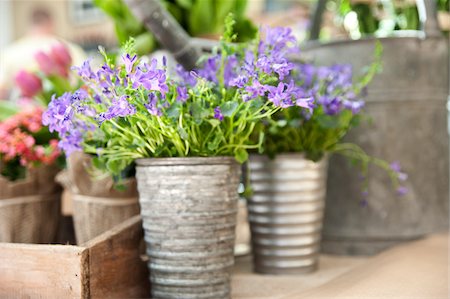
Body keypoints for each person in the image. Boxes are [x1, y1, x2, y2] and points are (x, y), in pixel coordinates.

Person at [0, 8, 85, 100]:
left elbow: (2, 89)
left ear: (31, 25)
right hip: (66, 106)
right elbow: (85, 78)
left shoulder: (10, 51)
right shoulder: (66, 46)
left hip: (23, 110)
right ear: (51, 24)